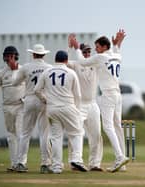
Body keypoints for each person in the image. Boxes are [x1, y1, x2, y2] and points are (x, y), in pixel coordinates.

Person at [69, 29, 129, 172]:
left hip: (108, 95)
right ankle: (122, 162)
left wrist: (77, 48)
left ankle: (120, 157)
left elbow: (83, 62)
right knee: (117, 127)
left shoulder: (100, 57)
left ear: (103, 47)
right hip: (118, 95)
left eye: (97, 47)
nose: (95, 50)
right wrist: (118, 43)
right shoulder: (117, 56)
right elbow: (116, 51)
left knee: (108, 127)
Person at [34, 50, 86, 174]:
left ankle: (57, 166)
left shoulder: (47, 72)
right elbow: (77, 95)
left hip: (52, 109)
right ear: (66, 61)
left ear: (55, 60)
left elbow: (36, 90)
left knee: (56, 137)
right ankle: (76, 159)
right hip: (68, 107)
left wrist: (45, 99)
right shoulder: (71, 72)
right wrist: (77, 110)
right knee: (77, 133)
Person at [12, 44, 52, 173]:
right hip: (43, 100)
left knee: (25, 133)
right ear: (44, 55)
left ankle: (20, 163)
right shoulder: (49, 68)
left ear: (33, 54)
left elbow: (15, 83)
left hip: (29, 99)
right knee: (44, 134)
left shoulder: (26, 67)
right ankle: (45, 164)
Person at [67, 43, 103, 171]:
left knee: (96, 134)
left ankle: (94, 164)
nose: (87, 54)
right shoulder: (75, 64)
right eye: (85, 52)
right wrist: (70, 47)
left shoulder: (95, 63)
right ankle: (74, 162)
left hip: (93, 104)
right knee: (77, 133)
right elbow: (63, 63)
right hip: (79, 104)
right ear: (80, 53)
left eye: (89, 52)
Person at [0, 46, 25, 171]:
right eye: (7, 55)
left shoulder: (22, 70)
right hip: (7, 106)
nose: (9, 58)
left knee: (20, 134)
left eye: (11, 55)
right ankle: (14, 164)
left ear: (16, 56)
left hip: (21, 106)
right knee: (11, 136)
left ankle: (21, 163)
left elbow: (32, 85)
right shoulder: (1, 73)